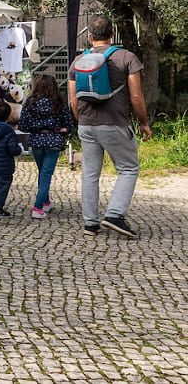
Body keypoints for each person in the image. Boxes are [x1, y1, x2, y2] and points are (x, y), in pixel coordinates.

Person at [67, 16, 151, 238]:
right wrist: (143, 122)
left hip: (86, 125)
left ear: (90, 37)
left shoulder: (77, 62)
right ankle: (114, 215)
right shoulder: (127, 57)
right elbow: (135, 95)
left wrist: (80, 121)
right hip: (114, 123)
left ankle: (90, 224)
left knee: (90, 173)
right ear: (112, 35)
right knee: (128, 168)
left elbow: (73, 100)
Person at [19, 73, 74, 220]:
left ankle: (46, 201)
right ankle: (37, 207)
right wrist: (62, 130)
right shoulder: (59, 103)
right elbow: (69, 125)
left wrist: (36, 128)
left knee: (42, 173)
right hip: (54, 142)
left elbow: (23, 125)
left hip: (37, 142)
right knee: (46, 175)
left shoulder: (30, 103)